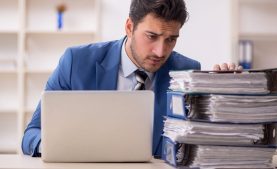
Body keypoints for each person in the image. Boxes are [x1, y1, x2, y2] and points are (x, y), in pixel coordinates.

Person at [22, 0, 239, 158]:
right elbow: (31, 135)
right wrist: (59, 146)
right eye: (151, 37)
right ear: (129, 27)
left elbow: (197, 144)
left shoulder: (186, 71)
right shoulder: (76, 62)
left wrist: (223, 97)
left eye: (171, 39)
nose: (161, 51)